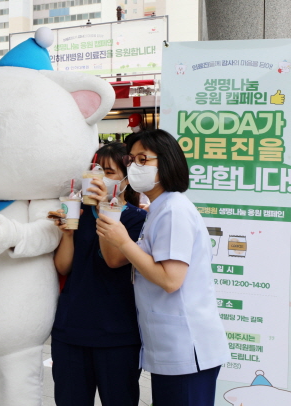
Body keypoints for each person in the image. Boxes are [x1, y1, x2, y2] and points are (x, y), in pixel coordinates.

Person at [96, 129, 229, 406]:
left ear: (167, 162)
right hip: (171, 347)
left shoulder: (173, 210)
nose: (134, 167)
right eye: (131, 160)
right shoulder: (158, 208)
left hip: (186, 348)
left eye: (144, 159)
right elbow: (120, 260)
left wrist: (123, 240)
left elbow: (171, 280)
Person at [50, 142, 146, 406]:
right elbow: (63, 267)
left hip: (117, 334)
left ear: (126, 180)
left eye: (108, 172)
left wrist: (106, 206)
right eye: (94, 171)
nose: (99, 178)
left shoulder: (137, 219)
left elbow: (113, 260)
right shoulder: (77, 212)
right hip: (70, 330)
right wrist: (68, 233)